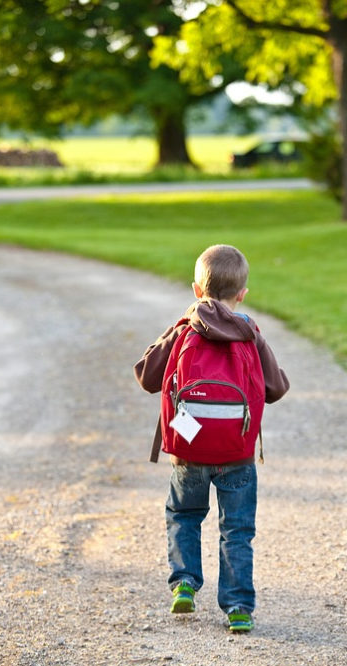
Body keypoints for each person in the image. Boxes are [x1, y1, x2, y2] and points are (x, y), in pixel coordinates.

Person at [133, 244, 289, 632]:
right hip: (237, 452)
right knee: (236, 529)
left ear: (196, 290)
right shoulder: (249, 331)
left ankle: (184, 582)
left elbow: (147, 376)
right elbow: (276, 388)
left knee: (184, 515)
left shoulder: (186, 328)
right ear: (242, 294)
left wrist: (178, 325)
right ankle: (238, 607)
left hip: (189, 451)